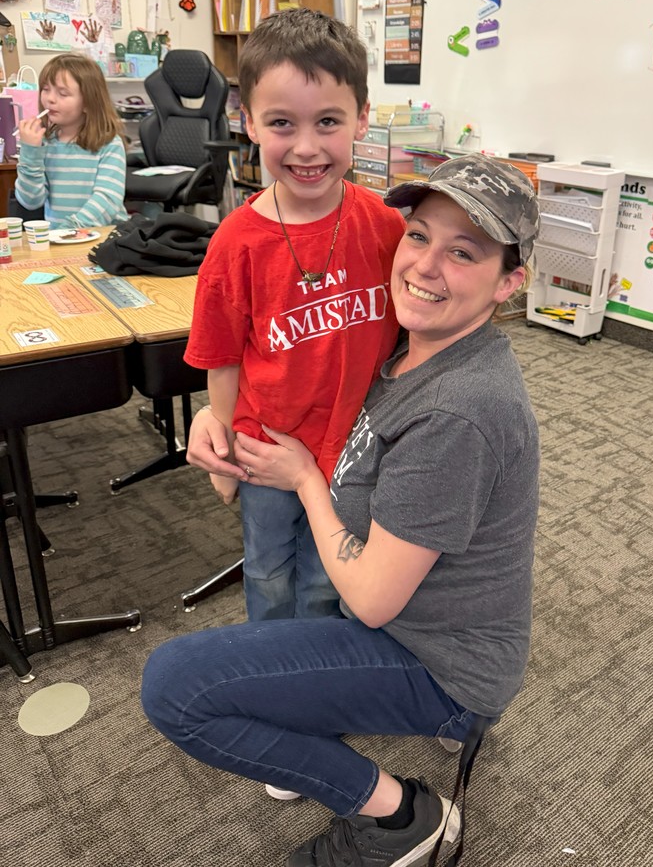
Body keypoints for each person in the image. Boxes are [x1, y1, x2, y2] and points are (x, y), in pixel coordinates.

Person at [142, 153, 541, 867]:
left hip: (438, 664)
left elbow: (372, 599)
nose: (424, 265)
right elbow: (303, 361)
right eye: (418, 236)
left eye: (464, 252)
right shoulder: (411, 349)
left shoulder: (459, 410)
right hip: (420, 629)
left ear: (509, 282)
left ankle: (404, 817)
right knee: (233, 652)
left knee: (177, 688)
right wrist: (218, 413)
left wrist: (305, 481)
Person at [183, 8, 405, 622]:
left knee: (328, 581)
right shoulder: (235, 243)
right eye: (282, 122)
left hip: (357, 447)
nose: (307, 147)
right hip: (267, 450)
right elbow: (222, 358)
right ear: (249, 122)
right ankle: (274, 668)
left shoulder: (386, 226)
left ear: (362, 118)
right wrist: (224, 447)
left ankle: (316, 669)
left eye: (328, 121)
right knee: (269, 574)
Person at [13, 52, 127, 227]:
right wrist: (29, 152)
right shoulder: (45, 143)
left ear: (88, 102)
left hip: (104, 237)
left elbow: (107, 200)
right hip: (60, 238)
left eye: (63, 93)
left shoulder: (110, 144)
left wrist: (69, 230)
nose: (50, 99)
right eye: (45, 89)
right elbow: (31, 201)